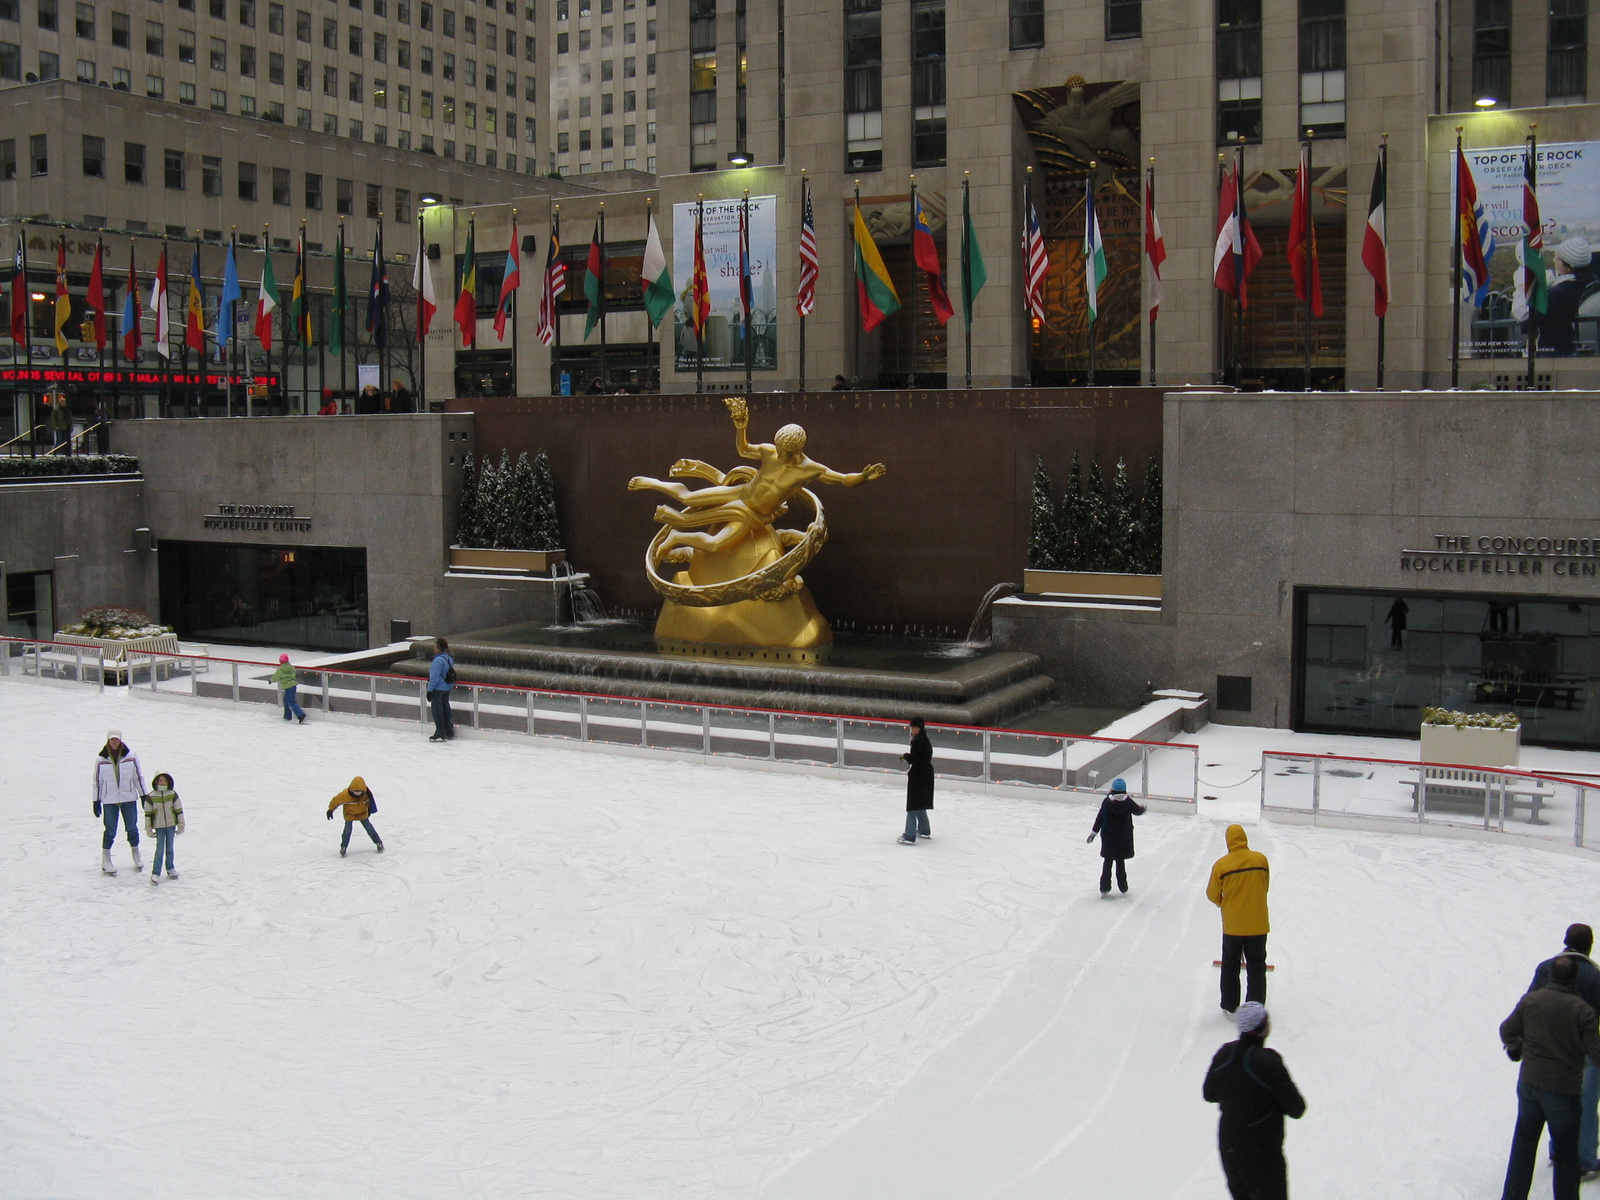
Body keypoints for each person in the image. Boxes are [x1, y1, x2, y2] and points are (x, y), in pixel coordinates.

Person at [1500, 955, 1600, 1200]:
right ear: (1574, 980)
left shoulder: (1531, 1000)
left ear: (1552, 976)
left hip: (1529, 1086)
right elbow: (1596, 1054)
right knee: (1567, 1155)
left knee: (1523, 1146)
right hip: (1563, 1091)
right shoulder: (1582, 1011)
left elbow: (1507, 1029)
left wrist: (1515, 1049)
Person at [1203, 1002, 1306, 1200]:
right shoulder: (1269, 1063)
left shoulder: (1225, 1053)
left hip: (1230, 1144)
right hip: (1262, 1151)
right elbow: (1296, 1108)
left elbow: (1209, 1093)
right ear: (1264, 1028)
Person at [1528, 926, 1600, 1183]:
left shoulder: (1546, 968)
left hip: (1548, 1048)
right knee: (1586, 1104)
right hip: (1584, 1050)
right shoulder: (1594, 975)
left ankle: (1559, 1153)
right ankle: (1584, 1161)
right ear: (1589, 945)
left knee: (1557, 1103)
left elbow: (1530, 1002)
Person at [1207, 824, 1271, 1013]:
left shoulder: (1222, 865)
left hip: (1233, 926)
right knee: (1257, 964)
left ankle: (1230, 1004)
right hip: (1258, 923)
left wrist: (1224, 904)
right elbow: (1264, 885)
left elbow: (1212, 894)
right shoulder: (1260, 860)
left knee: (1231, 964)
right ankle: (1256, 1004)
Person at [93, 730, 146, 876]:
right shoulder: (101, 759)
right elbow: (97, 781)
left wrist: (143, 795)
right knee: (110, 829)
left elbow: (138, 777)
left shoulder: (131, 756)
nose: (114, 742)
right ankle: (106, 858)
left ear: (120, 740)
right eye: (112, 740)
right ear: (108, 741)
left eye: (116, 739)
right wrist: (96, 800)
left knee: (132, 827)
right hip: (110, 800)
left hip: (128, 797)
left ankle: (136, 853)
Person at [1088, 777, 1147, 894]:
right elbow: (1137, 811)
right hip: (1123, 839)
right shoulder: (1128, 802)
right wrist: (1143, 808)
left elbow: (1100, 818)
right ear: (1124, 790)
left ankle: (1104, 888)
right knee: (1120, 862)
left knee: (1107, 862)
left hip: (1109, 838)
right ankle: (1123, 887)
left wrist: (1093, 833)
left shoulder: (1107, 802)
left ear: (1112, 789)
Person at [1542, 238, 1592, 357]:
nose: (1554, 260)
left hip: (1554, 347)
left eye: (1558, 258)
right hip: (1565, 343)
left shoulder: (1562, 291)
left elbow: (1536, 318)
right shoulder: (1577, 284)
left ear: (1568, 265)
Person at [141, 772, 184, 885]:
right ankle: (156, 872)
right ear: (156, 782)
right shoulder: (151, 796)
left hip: (170, 825)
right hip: (159, 827)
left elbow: (178, 810)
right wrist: (148, 828)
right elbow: (148, 814)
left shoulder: (172, 794)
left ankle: (170, 867)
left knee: (169, 848)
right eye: (160, 781)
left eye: (165, 781)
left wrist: (181, 825)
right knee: (159, 850)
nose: (163, 783)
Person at [326, 776, 383, 857]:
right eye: (355, 791)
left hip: (362, 813)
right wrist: (330, 810)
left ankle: (378, 842)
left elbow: (370, 802)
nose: (357, 794)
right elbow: (336, 801)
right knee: (347, 831)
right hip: (350, 814)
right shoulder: (345, 795)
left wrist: (370, 808)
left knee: (369, 828)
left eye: (359, 792)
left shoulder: (366, 794)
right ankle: (343, 847)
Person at [898, 716, 933, 844]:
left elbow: (915, 760)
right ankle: (924, 829)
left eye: (914, 728)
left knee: (913, 805)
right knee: (919, 803)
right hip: (925, 774)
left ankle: (910, 834)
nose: (912, 730)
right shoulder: (923, 739)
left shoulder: (919, 742)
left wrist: (906, 756)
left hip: (919, 775)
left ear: (920, 728)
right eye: (912, 727)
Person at [427, 637, 456, 742]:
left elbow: (434, 677)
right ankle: (449, 729)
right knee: (445, 707)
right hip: (447, 687)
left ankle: (440, 731)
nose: (433, 647)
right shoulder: (448, 658)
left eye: (435, 645)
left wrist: (430, 690)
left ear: (438, 648)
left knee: (437, 710)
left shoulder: (437, 661)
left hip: (438, 689)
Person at [271, 653, 307, 723]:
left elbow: (276, 676)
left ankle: (301, 715)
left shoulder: (281, 670)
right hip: (293, 686)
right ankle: (287, 716)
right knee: (286, 701)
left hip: (288, 687)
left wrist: (270, 680)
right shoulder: (291, 667)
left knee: (291, 701)